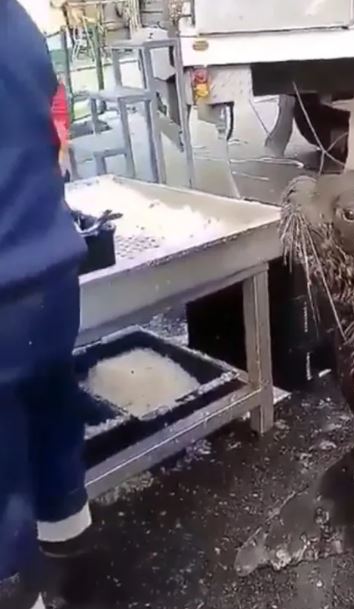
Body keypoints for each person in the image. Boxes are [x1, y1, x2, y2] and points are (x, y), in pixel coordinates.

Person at [0, 1, 94, 607]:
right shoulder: (15, 19)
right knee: (54, 422)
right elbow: (53, 102)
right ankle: (79, 576)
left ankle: (19, 590)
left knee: (4, 477)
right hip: (52, 280)